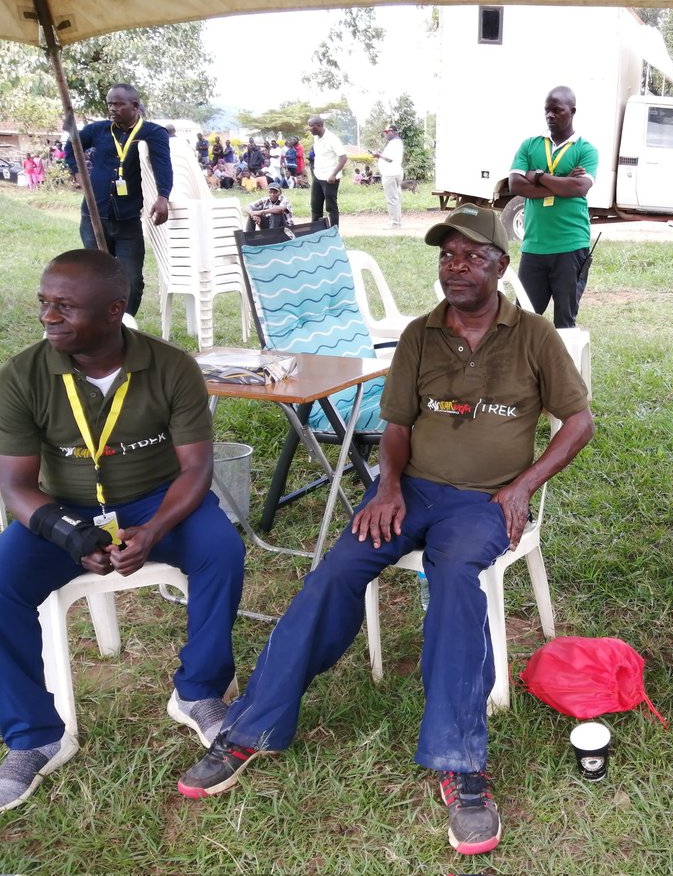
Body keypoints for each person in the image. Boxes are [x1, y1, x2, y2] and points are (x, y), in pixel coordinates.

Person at [175, 205, 594, 856]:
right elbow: (395, 427)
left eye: (470, 256)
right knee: (337, 572)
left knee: (456, 578)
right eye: (446, 255)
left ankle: (462, 765)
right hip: (410, 489)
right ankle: (250, 729)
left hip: (484, 500)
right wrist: (388, 486)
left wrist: (521, 486)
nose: (455, 266)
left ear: (501, 266)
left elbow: (578, 423)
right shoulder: (422, 335)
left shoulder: (536, 337)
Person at [0, 249, 245, 812]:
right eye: (44, 303)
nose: (47, 317)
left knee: (220, 550)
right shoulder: (23, 374)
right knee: (3, 579)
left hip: (160, 498)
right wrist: (67, 535)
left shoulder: (170, 366)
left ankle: (200, 693)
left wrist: (155, 530)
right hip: (62, 505)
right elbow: (15, 486)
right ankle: (34, 737)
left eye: (64, 306)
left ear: (114, 310)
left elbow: (196, 470)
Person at [64, 83, 172, 317]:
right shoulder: (99, 130)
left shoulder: (152, 133)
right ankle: (99, 321)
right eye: (110, 103)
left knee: (131, 277)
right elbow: (71, 144)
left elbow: (163, 165)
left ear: (135, 106)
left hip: (128, 219)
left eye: (118, 104)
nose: (112, 108)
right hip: (93, 216)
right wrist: (76, 170)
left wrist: (164, 196)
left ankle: (125, 323)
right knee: (96, 274)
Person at [508, 85, 599, 328]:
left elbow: (579, 188)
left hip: (571, 246)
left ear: (572, 111)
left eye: (557, 110)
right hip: (534, 246)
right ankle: (525, 367)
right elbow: (515, 184)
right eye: (547, 111)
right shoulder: (531, 145)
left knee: (564, 323)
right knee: (522, 321)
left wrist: (538, 176)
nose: (550, 115)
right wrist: (563, 181)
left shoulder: (585, 149)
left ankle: (560, 366)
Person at [307, 116, 347, 226]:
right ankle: (315, 232)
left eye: (311, 126)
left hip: (330, 178)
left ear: (319, 126)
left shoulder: (332, 139)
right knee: (315, 206)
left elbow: (343, 158)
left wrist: (333, 174)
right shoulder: (316, 137)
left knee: (331, 207)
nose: (309, 129)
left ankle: (334, 232)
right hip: (318, 175)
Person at [374, 124, 405, 228]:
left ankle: (394, 223)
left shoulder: (394, 143)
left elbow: (389, 159)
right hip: (395, 172)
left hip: (390, 174)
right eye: (385, 132)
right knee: (396, 198)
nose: (386, 133)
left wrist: (378, 155)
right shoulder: (396, 142)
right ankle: (397, 221)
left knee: (392, 199)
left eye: (388, 131)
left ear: (395, 132)